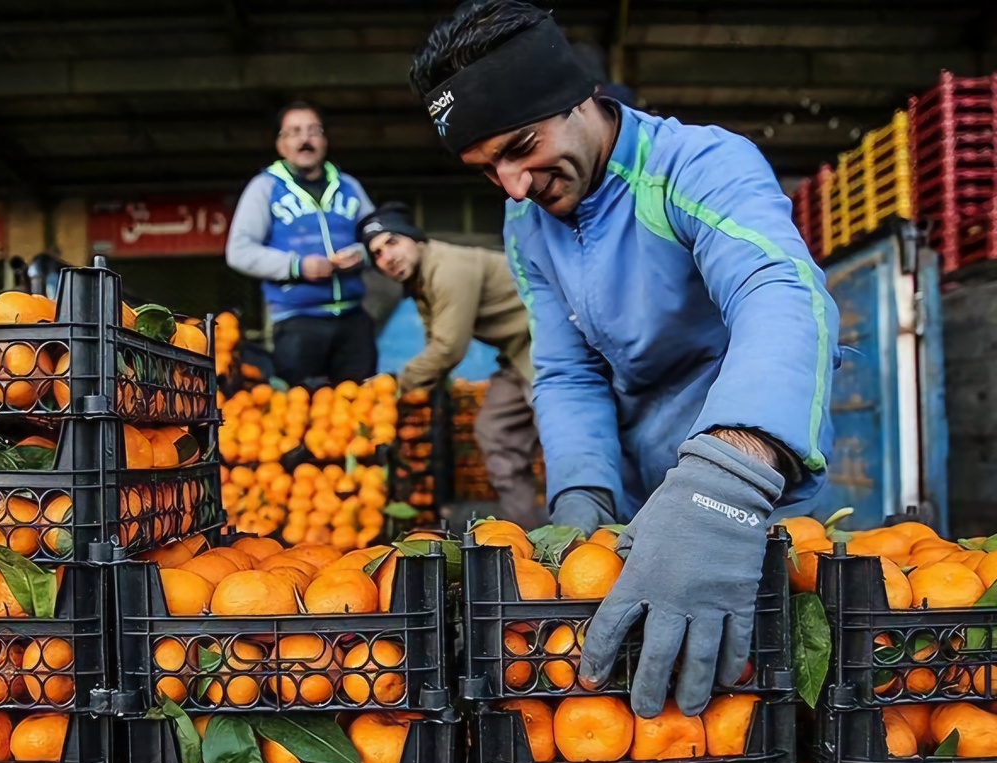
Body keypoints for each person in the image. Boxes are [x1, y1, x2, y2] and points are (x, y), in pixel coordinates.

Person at [411, 2, 840, 719]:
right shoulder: (528, 223)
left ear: (580, 97)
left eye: (522, 145)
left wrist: (726, 479)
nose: (515, 185)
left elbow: (780, 292)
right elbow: (567, 369)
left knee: (751, 698)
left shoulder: (697, 165)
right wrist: (583, 497)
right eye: (488, 170)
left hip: (746, 487)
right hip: (642, 497)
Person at [358, 202, 540, 526]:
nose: (387, 257)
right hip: (516, 355)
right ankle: (525, 532)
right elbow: (436, 343)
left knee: (563, 434)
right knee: (495, 431)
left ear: (414, 239)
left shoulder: (447, 268)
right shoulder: (421, 282)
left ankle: (592, 531)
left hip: (546, 347)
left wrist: (395, 383)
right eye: (377, 254)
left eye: (392, 242)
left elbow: (448, 348)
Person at [226, 101, 378, 387]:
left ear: (324, 141)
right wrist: (297, 266)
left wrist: (362, 254)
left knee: (365, 410)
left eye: (313, 131)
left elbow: (377, 237)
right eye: (294, 132)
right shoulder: (265, 187)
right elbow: (239, 251)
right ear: (281, 144)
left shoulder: (349, 186)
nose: (305, 139)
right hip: (296, 323)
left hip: (354, 321)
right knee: (301, 415)